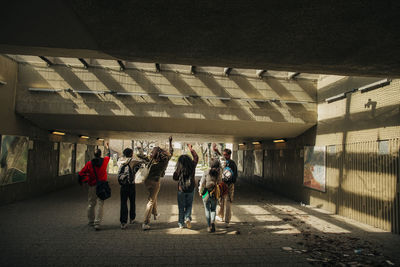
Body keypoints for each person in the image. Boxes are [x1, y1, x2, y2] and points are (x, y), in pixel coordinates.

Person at [142, 136, 174, 230]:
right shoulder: (164, 162)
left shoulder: (151, 161)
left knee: (153, 196)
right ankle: (145, 222)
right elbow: (171, 152)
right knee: (151, 201)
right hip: (155, 181)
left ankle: (155, 214)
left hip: (147, 181)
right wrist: (170, 142)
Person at [78, 143, 111, 231]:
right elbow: (109, 155)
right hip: (102, 186)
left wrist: (86, 180)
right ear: (100, 154)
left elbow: (81, 173)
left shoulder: (89, 163)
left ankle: (90, 221)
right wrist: (107, 147)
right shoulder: (105, 161)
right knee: (100, 204)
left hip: (92, 186)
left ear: (94, 155)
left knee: (91, 203)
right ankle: (97, 223)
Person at [173, 144, 199, 229]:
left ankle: (181, 223)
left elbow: (175, 178)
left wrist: (177, 171)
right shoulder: (192, 166)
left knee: (181, 206)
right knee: (189, 205)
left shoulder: (179, 168)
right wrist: (191, 149)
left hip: (181, 189)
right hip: (191, 188)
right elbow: (196, 157)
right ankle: (187, 217)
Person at [117, 148, 144, 229]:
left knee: (123, 203)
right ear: (131, 154)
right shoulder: (133, 161)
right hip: (131, 185)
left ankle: (123, 222)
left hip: (123, 185)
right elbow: (142, 163)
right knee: (132, 202)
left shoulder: (120, 160)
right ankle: (132, 219)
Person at [213, 144, 238, 227]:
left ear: (229, 155)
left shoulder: (223, 162)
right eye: (223, 154)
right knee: (226, 201)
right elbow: (235, 175)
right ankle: (225, 220)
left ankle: (222, 217)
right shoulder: (233, 163)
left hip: (223, 184)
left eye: (225, 155)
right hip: (230, 185)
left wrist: (217, 151)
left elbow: (221, 159)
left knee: (223, 201)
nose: (224, 156)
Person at [198, 159, 221, 233]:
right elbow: (220, 182)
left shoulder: (206, 172)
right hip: (214, 193)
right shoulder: (218, 173)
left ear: (210, 165)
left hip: (206, 193)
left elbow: (202, 183)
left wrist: (200, 191)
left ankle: (209, 226)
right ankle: (212, 222)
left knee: (207, 209)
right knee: (213, 209)